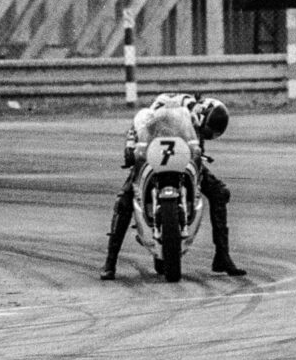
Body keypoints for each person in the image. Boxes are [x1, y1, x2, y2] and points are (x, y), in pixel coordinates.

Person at [100, 93, 246, 280]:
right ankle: (110, 262)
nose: (208, 135)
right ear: (202, 114)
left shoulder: (193, 123)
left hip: (181, 159)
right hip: (153, 156)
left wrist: (197, 154)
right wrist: (130, 148)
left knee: (220, 192)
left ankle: (222, 256)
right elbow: (137, 125)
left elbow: (195, 144)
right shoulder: (169, 105)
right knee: (124, 199)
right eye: (209, 130)